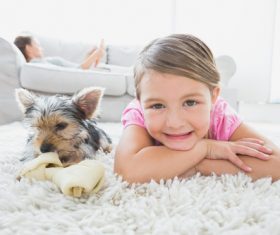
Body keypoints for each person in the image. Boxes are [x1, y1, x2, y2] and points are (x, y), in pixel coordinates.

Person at [114, 33, 280, 184]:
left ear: (213, 96)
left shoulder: (219, 115)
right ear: (140, 102)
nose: (175, 123)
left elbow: (276, 164)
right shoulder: (139, 113)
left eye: (190, 102)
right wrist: (206, 148)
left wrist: (198, 165)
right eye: (157, 106)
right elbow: (127, 172)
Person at [14, 35, 105, 70]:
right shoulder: (36, 64)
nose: (42, 49)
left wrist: (90, 56)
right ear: (28, 48)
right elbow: (78, 70)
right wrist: (96, 54)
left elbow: (77, 69)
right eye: (37, 45)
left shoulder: (41, 63)